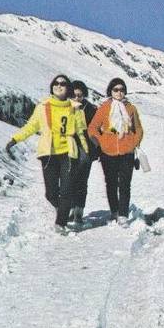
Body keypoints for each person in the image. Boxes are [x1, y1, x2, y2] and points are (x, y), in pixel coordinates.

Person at [5, 74, 90, 234]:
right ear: (52, 86)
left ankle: (61, 222)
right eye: (56, 83)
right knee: (50, 194)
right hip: (48, 153)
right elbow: (31, 126)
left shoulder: (75, 108)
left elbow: (80, 132)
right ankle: (63, 208)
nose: (59, 85)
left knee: (66, 190)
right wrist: (15, 139)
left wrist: (85, 151)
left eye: (63, 83)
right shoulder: (43, 106)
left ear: (68, 88)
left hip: (68, 153)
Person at [88, 78, 144, 225]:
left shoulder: (131, 108)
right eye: (116, 89)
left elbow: (138, 129)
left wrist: (134, 143)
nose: (119, 92)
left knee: (125, 184)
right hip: (107, 152)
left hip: (127, 152)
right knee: (111, 183)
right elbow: (92, 128)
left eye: (122, 89)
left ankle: (123, 214)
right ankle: (114, 210)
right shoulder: (104, 108)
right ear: (110, 91)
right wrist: (100, 143)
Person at [68, 80, 100, 227]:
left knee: (81, 180)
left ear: (84, 95)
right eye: (74, 96)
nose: (77, 98)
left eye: (79, 95)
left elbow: (99, 131)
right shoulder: (65, 108)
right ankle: (70, 209)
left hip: (85, 150)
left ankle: (78, 212)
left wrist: (96, 148)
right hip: (68, 148)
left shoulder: (91, 110)